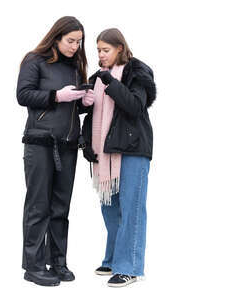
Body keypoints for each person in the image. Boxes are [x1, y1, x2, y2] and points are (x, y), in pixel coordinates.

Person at [16, 16, 95, 286]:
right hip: (39, 143)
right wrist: (55, 95)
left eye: (79, 42)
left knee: (61, 208)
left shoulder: (75, 67)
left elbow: (71, 108)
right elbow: (23, 95)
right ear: (57, 37)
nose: (75, 46)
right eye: (70, 41)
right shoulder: (34, 60)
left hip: (68, 145)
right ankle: (34, 265)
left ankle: (58, 261)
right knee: (39, 206)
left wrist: (84, 102)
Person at [82, 28, 156, 287]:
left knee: (132, 207)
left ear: (120, 49)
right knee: (110, 207)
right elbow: (92, 117)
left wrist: (111, 84)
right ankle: (114, 258)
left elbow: (135, 106)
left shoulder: (138, 72)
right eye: (98, 50)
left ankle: (130, 268)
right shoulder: (98, 78)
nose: (101, 55)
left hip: (133, 149)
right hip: (105, 154)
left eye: (106, 50)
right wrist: (85, 143)